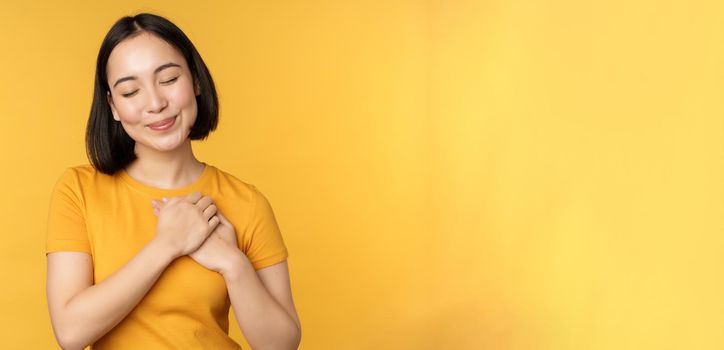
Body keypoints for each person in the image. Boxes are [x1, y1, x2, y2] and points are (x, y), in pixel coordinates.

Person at [45, 13, 301, 350]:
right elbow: (71, 332)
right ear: (113, 107)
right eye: (131, 90)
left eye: (168, 79)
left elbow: (281, 345)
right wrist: (168, 244)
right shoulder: (78, 190)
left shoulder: (246, 202)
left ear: (195, 81)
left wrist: (231, 263)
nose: (155, 103)